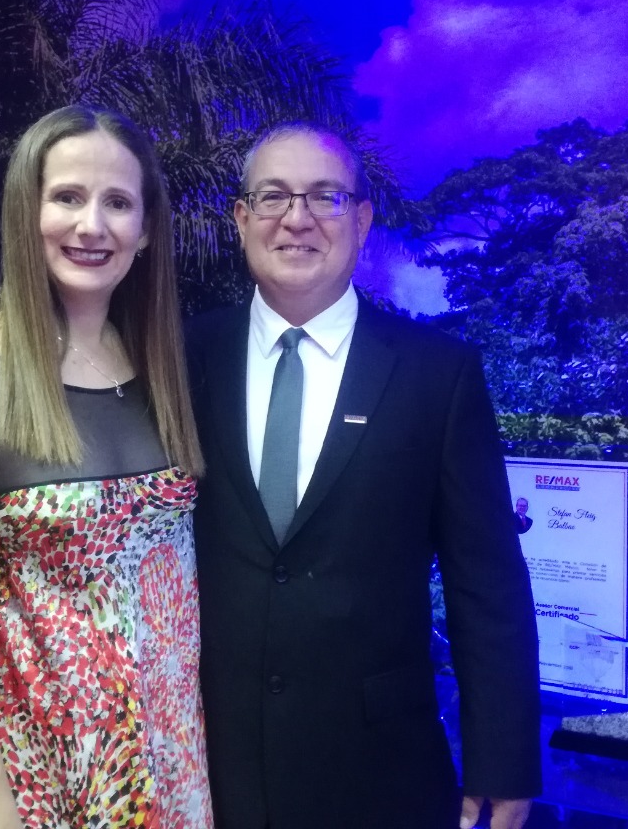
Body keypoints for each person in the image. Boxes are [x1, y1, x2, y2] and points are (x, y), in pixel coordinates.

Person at [187, 124, 541, 829]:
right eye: (274, 196)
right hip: (210, 767)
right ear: (241, 218)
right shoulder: (181, 354)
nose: (297, 218)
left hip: (381, 772)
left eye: (325, 196)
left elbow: (487, 581)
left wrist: (502, 759)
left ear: (362, 219)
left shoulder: (437, 374)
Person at [0, 105, 212, 829]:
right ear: (25, 213)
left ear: (146, 229)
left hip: (161, 771)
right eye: (67, 196)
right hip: (24, 780)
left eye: (117, 202)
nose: (91, 225)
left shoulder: (160, 371)